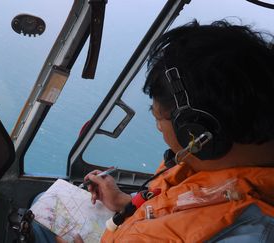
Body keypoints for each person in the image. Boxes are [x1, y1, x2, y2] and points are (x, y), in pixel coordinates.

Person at [82, 20, 274, 242]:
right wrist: (124, 202)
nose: (159, 130)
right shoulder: (210, 167)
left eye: (158, 119)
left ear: (199, 130)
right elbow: (183, 205)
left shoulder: (254, 234)